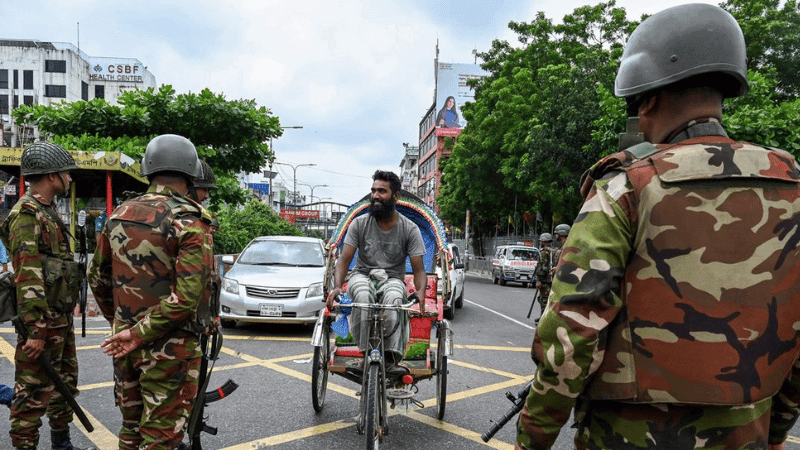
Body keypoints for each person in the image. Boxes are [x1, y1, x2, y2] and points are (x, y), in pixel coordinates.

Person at [517, 4, 800, 450]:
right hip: (747, 430)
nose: (640, 122)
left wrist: (533, 438)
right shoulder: (792, 184)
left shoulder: (628, 186)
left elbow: (572, 334)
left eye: (635, 108)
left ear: (648, 98)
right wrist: (776, 428)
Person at [88, 134, 213, 450]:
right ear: (191, 172)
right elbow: (187, 297)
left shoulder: (119, 213)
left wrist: (125, 327)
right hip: (170, 349)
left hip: (126, 344)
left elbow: (96, 278)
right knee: (161, 438)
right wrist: (140, 332)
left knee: (131, 430)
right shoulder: (188, 219)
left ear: (148, 169)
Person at [0, 142, 94, 450]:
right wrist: (36, 330)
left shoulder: (47, 211)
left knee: (64, 385)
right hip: (41, 321)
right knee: (30, 392)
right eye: (66, 172)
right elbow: (28, 276)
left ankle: (61, 443)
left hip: (59, 319)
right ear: (52, 175)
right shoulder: (26, 215)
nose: (69, 178)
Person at [325, 170, 427, 372]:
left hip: (393, 278)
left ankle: (390, 358)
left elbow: (419, 269)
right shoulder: (359, 223)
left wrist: (421, 292)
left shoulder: (410, 228)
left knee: (395, 301)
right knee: (362, 297)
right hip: (362, 275)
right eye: (373, 191)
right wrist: (337, 287)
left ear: (395, 195)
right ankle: (364, 353)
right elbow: (344, 260)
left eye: (382, 191)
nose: (375, 196)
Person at [532, 233, 552, 322]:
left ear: (544, 241)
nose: (540, 242)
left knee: (543, 299)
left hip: (545, 279)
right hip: (551, 278)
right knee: (547, 299)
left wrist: (539, 280)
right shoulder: (553, 250)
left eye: (541, 240)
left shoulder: (544, 252)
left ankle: (544, 319)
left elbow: (543, 267)